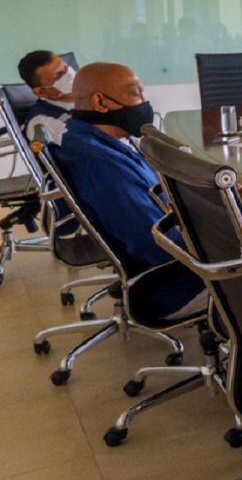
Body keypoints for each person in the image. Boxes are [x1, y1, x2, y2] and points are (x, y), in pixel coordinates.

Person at [51, 62, 215, 320]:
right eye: (135, 93)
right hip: (174, 285)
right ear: (101, 103)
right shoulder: (101, 164)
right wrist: (222, 230)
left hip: (175, 267)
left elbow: (155, 201)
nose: (144, 102)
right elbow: (157, 246)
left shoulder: (99, 144)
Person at [16, 50, 75, 144]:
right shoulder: (41, 123)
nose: (70, 75)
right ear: (41, 92)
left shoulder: (93, 95)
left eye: (66, 68)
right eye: (58, 76)